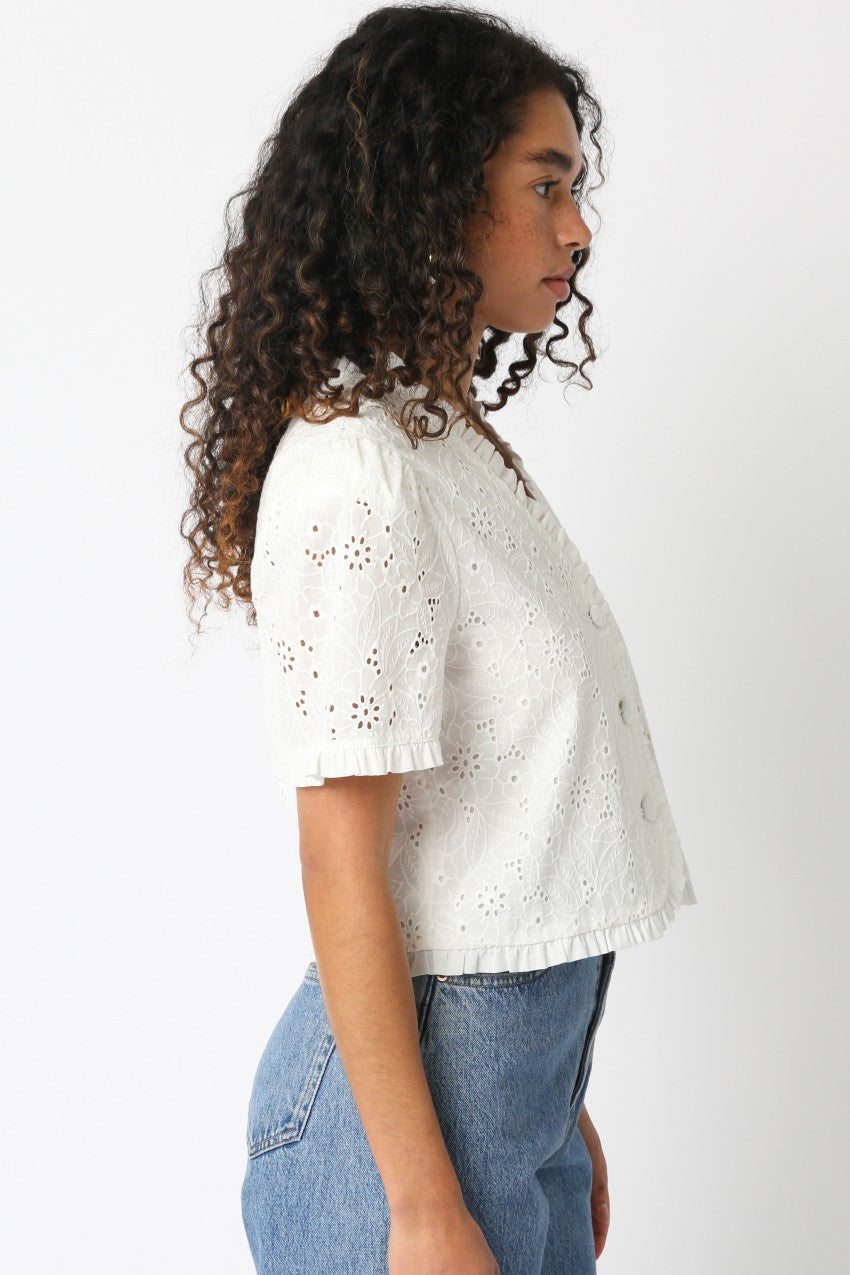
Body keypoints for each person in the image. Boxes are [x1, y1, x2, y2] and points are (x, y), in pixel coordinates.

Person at [179, 5, 698, 1272]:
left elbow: (489, 832)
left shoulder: (438, 440)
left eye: (575, 188)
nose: (577, 229)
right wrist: (421, 1202)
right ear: (430, 192)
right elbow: (341, 857)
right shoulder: (357, 467)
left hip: (497, 1106)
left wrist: (552, 1105)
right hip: (393, 1156)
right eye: (545, 185)